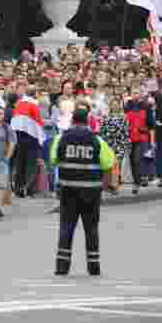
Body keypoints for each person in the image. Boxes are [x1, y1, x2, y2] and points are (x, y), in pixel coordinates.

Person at [50, 106, 115, 276]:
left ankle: (62, 267)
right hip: (91, 192)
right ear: (87, 121)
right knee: (91, 229)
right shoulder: (97, 140)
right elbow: (109, 163)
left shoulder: (61, 138)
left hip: (68, 190)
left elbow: (53, 159)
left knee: (66, 228)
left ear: (72, 121)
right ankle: (93, 266)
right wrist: (105, 186)